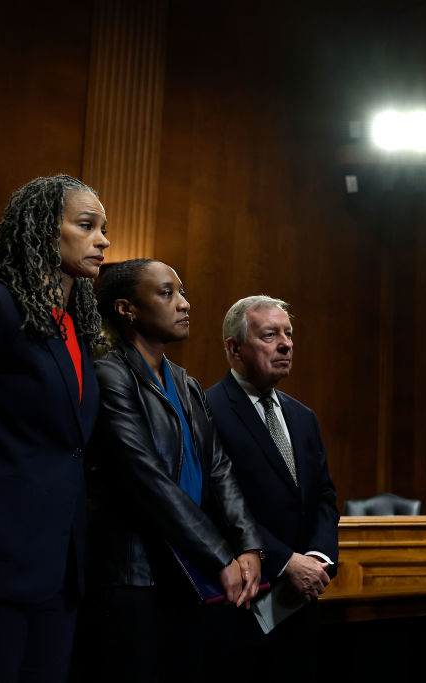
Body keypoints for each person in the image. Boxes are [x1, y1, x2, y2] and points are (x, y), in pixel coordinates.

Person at [80, 259, 264, 683]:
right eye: (167, 293)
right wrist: (220, 555)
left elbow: (219, 471)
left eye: (182, 292)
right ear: (127, 308)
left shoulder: (185, 382)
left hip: (187, 571)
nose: (184, 304)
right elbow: (146, 477)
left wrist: (249, 545)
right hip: (133, 574)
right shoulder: (108, 373)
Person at [0, 175, 109, 683]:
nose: (102, 240)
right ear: (40, 230)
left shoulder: (76, 327)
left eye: (104, 228)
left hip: (61, 567)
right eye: (86, 225)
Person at [204, 295, 339, 682]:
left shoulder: (302, 416)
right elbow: (214, 506)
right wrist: (284, 562)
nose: (286, 344)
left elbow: (325, 498)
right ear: (235, 347)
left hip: (303, 600)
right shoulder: (208, 409)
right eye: (270, 335)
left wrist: (317, 558)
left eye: (289, 333)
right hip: (243, 601)